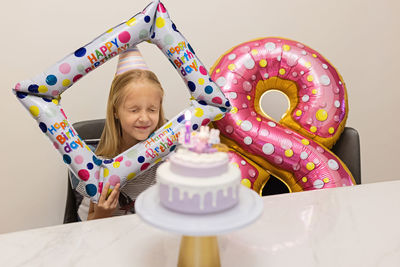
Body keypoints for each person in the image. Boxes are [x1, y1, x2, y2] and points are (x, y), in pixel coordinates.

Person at [76, 46, 166, 220]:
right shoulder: (98, 168)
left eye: (152, 109)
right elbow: (83, 229)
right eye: (134, 110)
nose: (144, 118)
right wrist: (103, 213)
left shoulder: (167, 162)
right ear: (116, 111)